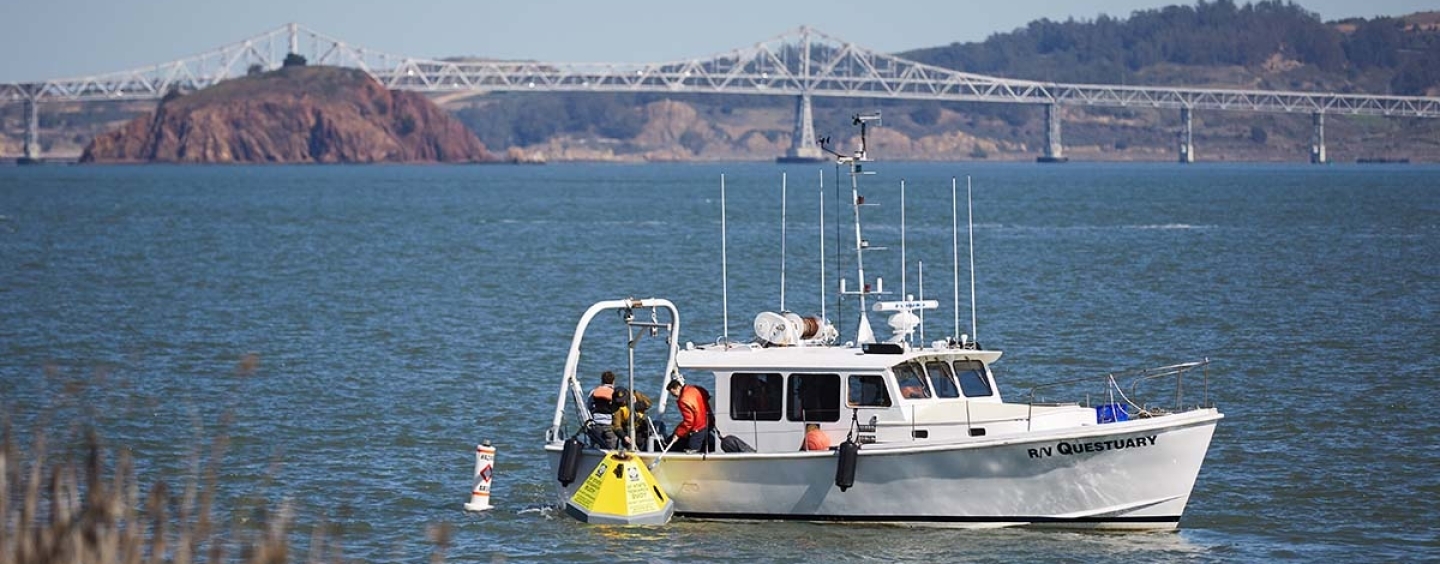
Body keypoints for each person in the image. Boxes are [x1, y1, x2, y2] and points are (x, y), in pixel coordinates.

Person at [665, 379, 713, 452]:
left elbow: (689, 421)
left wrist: (678, 434)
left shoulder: (683, 400)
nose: (673, 396)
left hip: (698, 427)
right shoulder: (695, 388)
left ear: (677, 388)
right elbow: (706, 394)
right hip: (708, 421)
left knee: (692, 448)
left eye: (673, 393)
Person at [587, 371, 619, 449]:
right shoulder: (615, 393)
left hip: (596, 424)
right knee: (611, 451)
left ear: (602, 380)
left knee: (594, 449)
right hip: (610, 425)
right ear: (613, 381)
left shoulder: (594, 392)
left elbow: (589, 406)